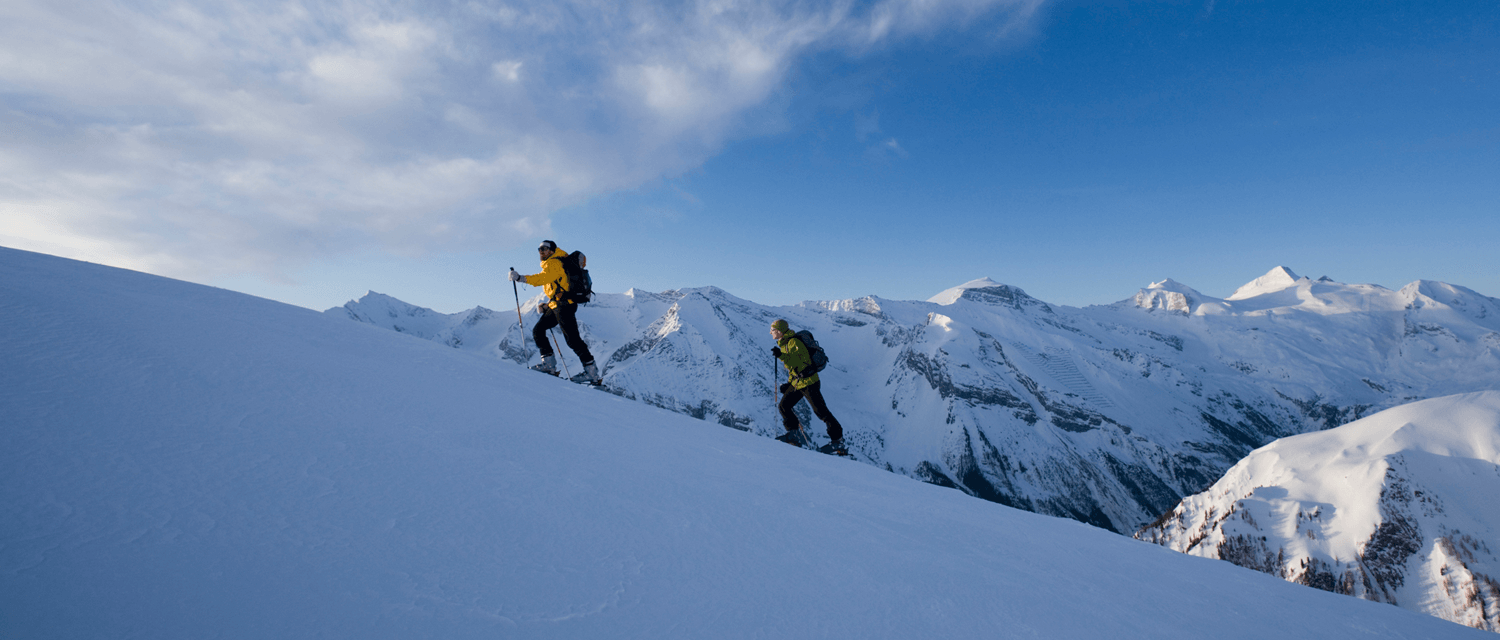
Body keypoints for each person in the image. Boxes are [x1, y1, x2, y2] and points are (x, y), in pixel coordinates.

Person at [509, 240, 600, 384]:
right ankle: (549, 366)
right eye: (539, 249)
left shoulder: (554, 263)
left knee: (573, 340)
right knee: (539, 330)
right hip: (558, 305)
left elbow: (542, 279)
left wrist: (520, 278)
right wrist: (548, 304)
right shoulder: (556, 262)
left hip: (564, 306)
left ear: (552, 250)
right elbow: (556, 286)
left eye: (544, 249)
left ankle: (591, 373)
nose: (541, 252)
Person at [770, 319, 846, 454]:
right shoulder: (785, 344)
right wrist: (789, 384)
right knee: (784, 406)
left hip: (809, 382)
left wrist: (782, 356)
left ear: (780, 331)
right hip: (798, 383)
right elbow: (794, 368)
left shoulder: (794, 342)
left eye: (773, 330)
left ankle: (838, 441)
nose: (771, 332)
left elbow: (804, 362)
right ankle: (793, 435)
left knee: (821, 412)